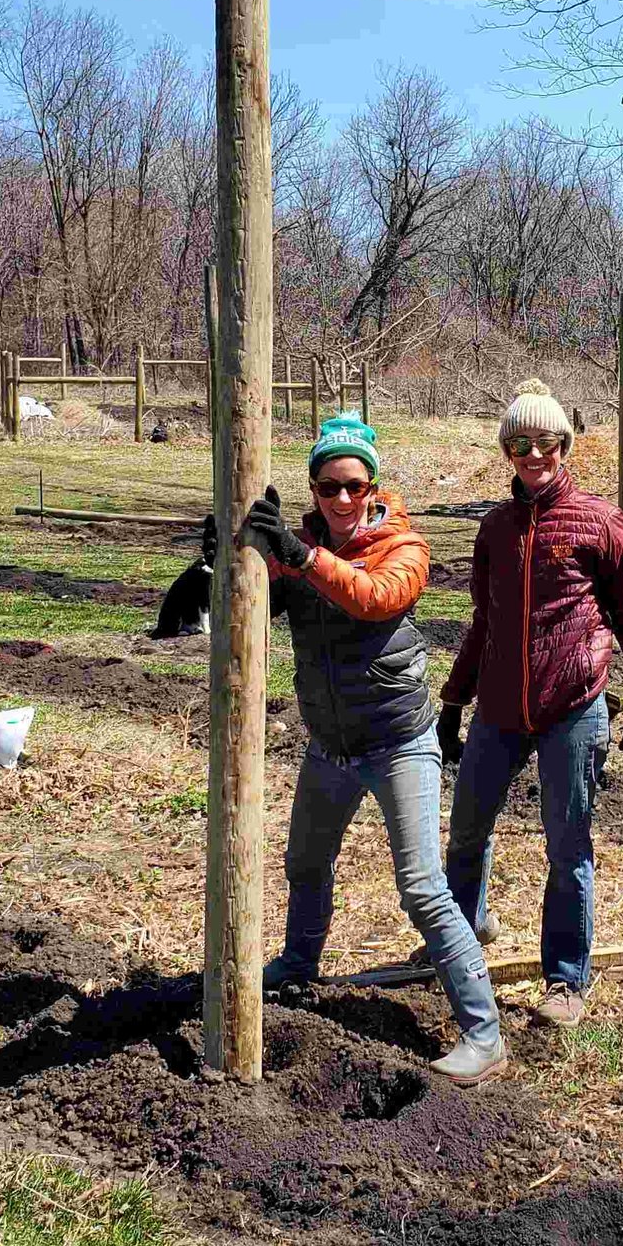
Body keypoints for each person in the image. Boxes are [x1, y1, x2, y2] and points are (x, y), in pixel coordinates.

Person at [234, 414, 508, 1086]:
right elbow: (252, 599)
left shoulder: (402, 545)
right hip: (330, 745)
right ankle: (299, 966)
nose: (343, 500)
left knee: (421, 888)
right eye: (329, 487)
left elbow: (374, 597)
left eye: (355, 485)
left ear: (374, 485)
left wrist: (301, 559)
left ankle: (484, 1033)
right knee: (305, 861)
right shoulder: (296, 547)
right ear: (315, 488)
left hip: (399, 743)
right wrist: (230, 554)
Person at [438, 379, 623, 1029]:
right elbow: (483, 621)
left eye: (544, 443)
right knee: (467, 831)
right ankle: (459, 940)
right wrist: (455, 699)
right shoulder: (494, 528)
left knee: (567, 847)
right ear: (507, 450)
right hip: (501, 707)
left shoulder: (601, 523)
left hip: (574, 703)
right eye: (519, 444)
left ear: (563, 445)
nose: (532, 455)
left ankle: (565, 979)